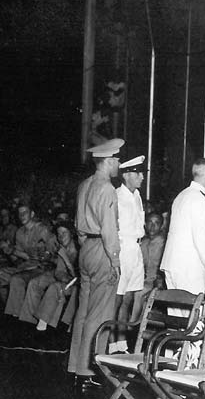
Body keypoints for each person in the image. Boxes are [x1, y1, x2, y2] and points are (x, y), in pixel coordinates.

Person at [68, 138, 123, 391]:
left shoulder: (85, 185)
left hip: (85, 249)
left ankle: (74, 366)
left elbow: (79, 226)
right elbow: (109, 230)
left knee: (83, 311)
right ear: (109, 161)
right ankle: (88, 371)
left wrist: (85, 247)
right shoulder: (107, 189)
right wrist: (114, 261)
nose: (119, 164)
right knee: (99, 313)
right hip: (102, 249)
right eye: (117, 160)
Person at [160, 158, 205, 295]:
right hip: (188, 268)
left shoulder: (182, 196)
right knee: (193, 313)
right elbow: (199, 240)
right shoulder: (199, 200)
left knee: (176, 314)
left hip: (173, 265)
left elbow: (185, 231)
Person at [109, 155, 146, 354]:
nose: (142, 177)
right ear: (127, 175)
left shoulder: (137, 195)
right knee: (118, 299)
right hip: (123, 250)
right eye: (138, 173)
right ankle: (109, 343)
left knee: (129, 298)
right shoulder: (116, 195)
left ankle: (120, 344)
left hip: (136, 250)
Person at [19, 221, 78, 331]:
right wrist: (64, 278)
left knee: (55, 287)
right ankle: (38, 324)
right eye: (59, 234)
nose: (61, 237)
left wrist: (67, 261)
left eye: (64, 233)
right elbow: (59, 272)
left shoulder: (78, 249)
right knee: (51, 285)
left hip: (78, 284)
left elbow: (79, 276)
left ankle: (47, 326)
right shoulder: (63, 250)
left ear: (72, 234)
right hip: (68, 281)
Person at [2, 203, 57, 315]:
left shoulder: (42, 230)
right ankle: (11, 312)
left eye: (25, 212)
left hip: (42, 268)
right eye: (20, 213)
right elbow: (20, 257)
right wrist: (9, 250)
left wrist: (45, 254)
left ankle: (18, 317)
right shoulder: (19, 232)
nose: (22, 215)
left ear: (32, 214)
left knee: (17, 279)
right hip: (27, 266)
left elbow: (51, 253)